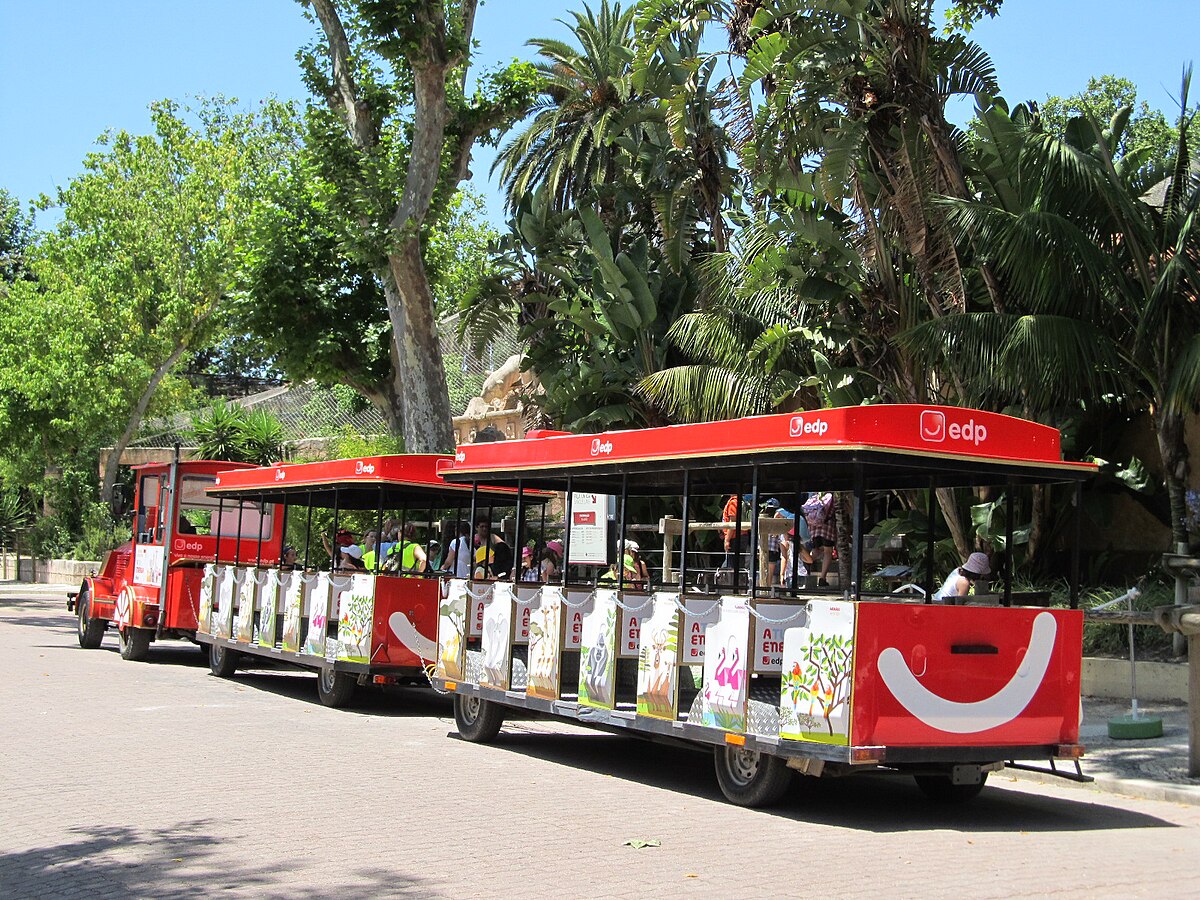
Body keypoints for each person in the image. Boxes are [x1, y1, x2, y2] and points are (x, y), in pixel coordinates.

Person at [803, 491, 837, 587]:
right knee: (828, 551)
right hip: (827, 527)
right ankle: (822, 578)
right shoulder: (831, 496)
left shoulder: (815, 497)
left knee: (815, 550)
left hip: (814, 528)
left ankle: (803, 563)